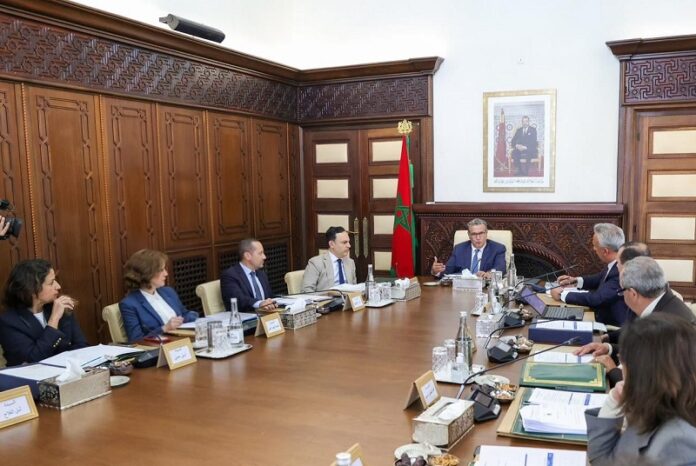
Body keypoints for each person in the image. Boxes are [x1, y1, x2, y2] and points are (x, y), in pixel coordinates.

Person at [585, 313, 696, 465]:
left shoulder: (678, 443)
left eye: (623, 362)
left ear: (642, 371)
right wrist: (614, 400)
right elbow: (602, 460)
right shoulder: (653, 406)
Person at [574, 257, 695, 387]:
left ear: (632, 294)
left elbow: (651, 386)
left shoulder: (669, 326)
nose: (622, 296)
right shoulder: (659, 304)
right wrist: (608, 348)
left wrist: (613, 370)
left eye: (621, 291)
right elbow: (645, 354)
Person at [0, 259, 87, 366]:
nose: (58, 286)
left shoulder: (60, 307)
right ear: (31, 289)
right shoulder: (9, 322)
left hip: (69, 372)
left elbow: (81, 346)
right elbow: (33, 360)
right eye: (51, 283)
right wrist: (54, 319)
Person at [551, 223, 629, 326]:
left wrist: (562, 295)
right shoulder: (615, 263)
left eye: (595, 246)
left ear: (605, 251)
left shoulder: (620, 270)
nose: (594, 249)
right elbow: (598, 279)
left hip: (610, 326)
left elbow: (597, 298)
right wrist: (575, 281)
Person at [119, 249, 199, 343]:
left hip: (184, 342)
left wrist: (185, 318)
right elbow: (136, 340)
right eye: (161, 270)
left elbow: (186, 314)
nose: (166, 274)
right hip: (160, 348)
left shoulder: (168, 292)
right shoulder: (129, 304)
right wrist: (164, 328)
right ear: (147, 273)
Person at [431, 218, 506, 279]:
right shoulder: (459, 249)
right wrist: (436, 271)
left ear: (486, 233)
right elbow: (448, 270)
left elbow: (501, 268)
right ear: (469, 235)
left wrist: (489, 274)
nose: (478, 237)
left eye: (481, 233)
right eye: (474, 234)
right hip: (463, 289)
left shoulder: (497, 249)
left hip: (485, 289)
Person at [220, 239, 276, 313]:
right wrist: (260, 303)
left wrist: (273, 303)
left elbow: (270, 297)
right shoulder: (230, 275)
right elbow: (238, 300)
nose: (264, 257)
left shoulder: (261, 274)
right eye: (260, 253)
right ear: (247, 256)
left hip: (267, 317)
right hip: (245, 317)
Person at [301, 226, 357, 292]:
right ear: (331, 244)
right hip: (325, 298)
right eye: (344, 242)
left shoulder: (350, 263)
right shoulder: (316, 263)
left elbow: (354, 288)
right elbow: (306, 290)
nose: (349, 245)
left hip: (347, 298)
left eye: (348, 242)